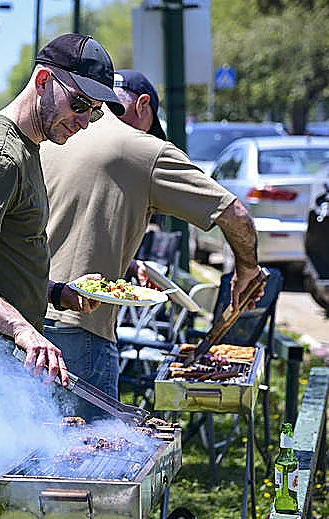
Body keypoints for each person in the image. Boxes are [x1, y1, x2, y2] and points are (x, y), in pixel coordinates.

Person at [0, 33, 126, 519]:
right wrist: (23, 328)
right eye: (79, 103)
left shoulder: (26, 146)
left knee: (10, 509)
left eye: (95, 112)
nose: (83, 121)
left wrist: (54, 293)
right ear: (43, 81)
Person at [40, 69, 262, 422]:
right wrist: (247, 270)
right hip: (80, 330)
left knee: (32, 457)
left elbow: (65, 220)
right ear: (143, 105)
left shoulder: (59, 134)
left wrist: (127, 266)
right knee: (86, 462)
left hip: (23, 320)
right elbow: (234, 214)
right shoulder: (143, 150)